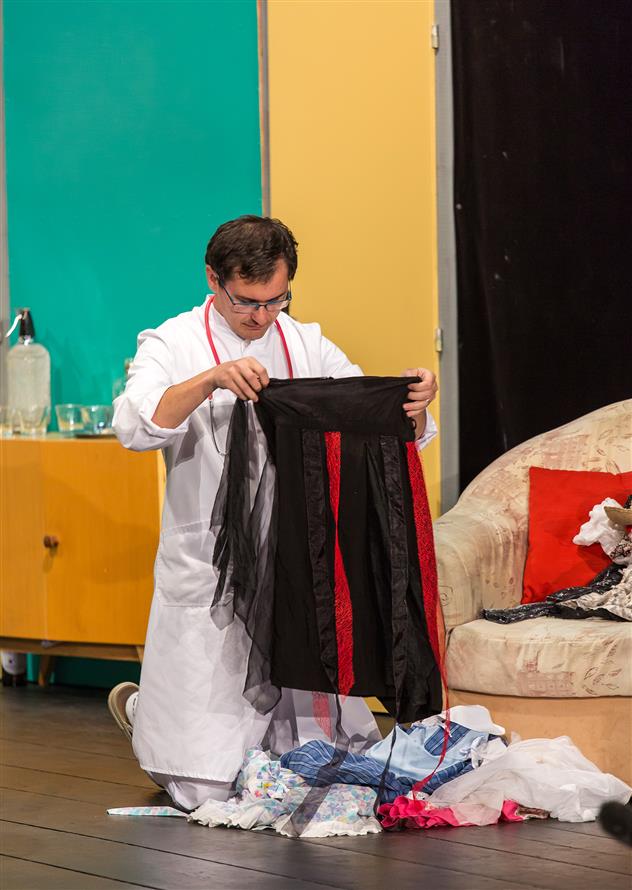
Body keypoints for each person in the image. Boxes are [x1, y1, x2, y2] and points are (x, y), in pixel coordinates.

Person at [108, 215, 438, 811]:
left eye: (275, 300)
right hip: (210, 563)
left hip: (294, 556)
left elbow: (367, 417)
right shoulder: (172, 342)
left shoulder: (305, 342)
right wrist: (210, 380)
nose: (261, 317)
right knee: (204, 789)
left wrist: (412, 404)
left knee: (322, 767)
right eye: (246, 302)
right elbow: (134, 425)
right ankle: (150, 715)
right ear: (214, 280)